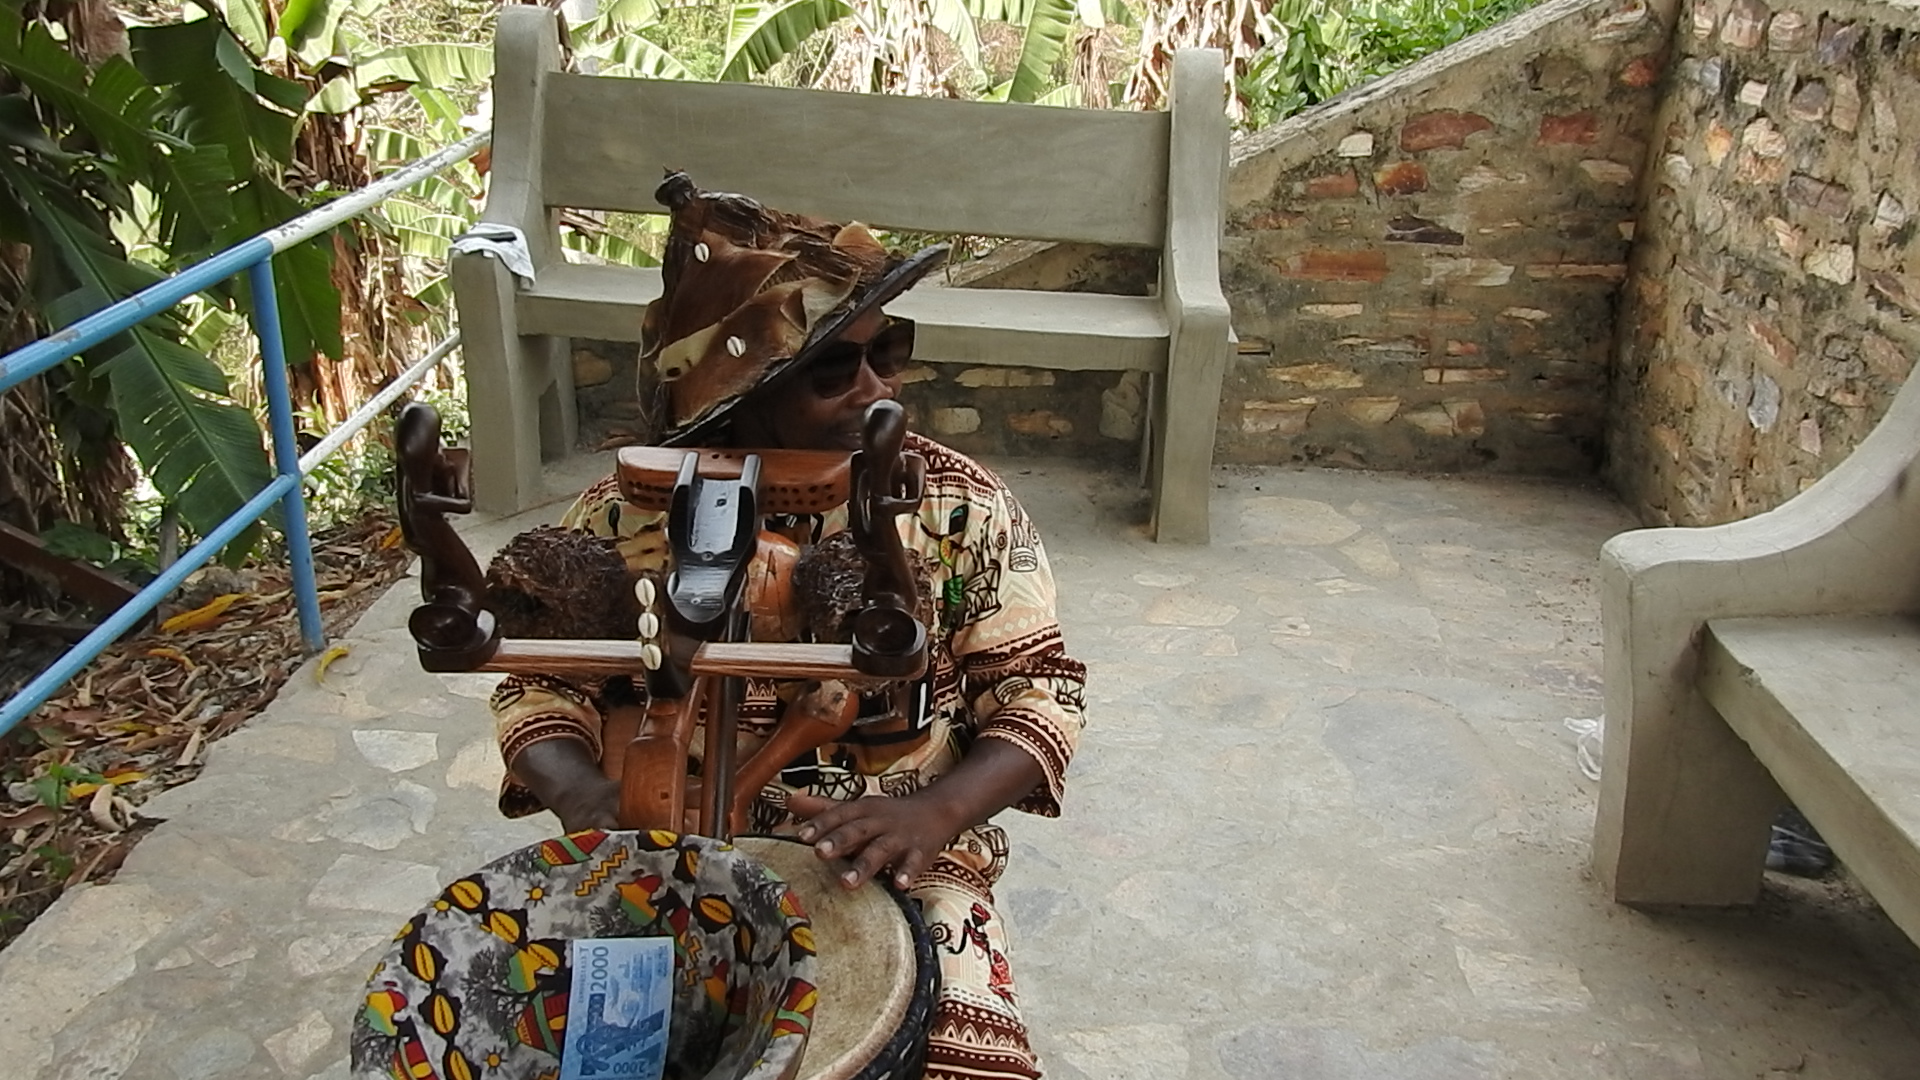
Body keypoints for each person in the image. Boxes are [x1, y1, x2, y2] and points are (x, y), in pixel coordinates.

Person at [489, 172, 1087, 1080]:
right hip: (668, 841)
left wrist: (935, 812)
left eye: (890, 351)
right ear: (742, 395)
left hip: (901, 849)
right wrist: (581, 794)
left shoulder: (958, 504)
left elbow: (1040, 694)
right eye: (834, 369)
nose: (877, 389)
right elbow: (535, 685)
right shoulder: (625, 512)